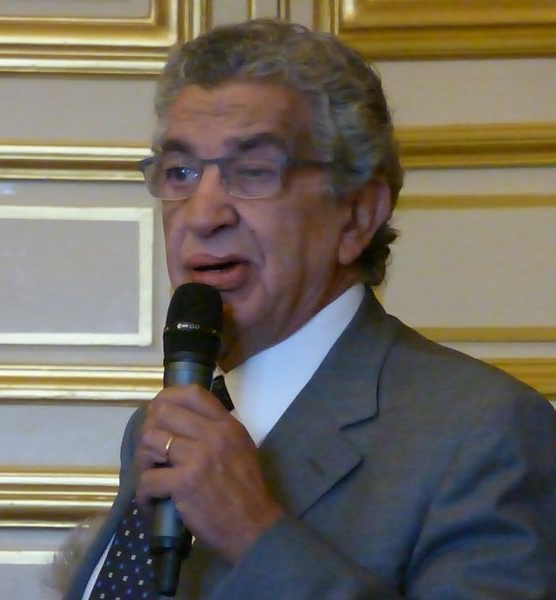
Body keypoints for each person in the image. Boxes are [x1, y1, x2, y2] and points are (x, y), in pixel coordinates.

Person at [62, 19, 556, 599]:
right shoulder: (159, 427)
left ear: (356, 215)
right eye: (181, 173)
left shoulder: (486, 431)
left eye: (253, 172)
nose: (202, 215)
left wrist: (254, 534)